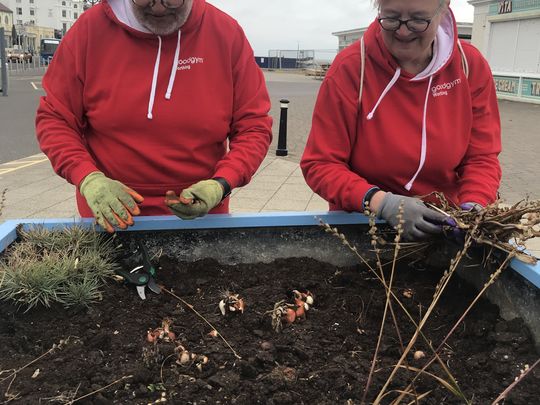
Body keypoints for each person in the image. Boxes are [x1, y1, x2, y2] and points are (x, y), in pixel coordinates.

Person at [36, 0, 272, 232]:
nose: (159, 6)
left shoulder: (225, 33)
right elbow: (55, 118)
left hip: (202, 214)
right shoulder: (89, 30)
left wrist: (222, 183)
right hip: (112, 214)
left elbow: (253, 126)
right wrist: (88, 178)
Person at [301, 0, 501, 241]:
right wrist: (381, 202)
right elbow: (321, 164)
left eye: (418, 20)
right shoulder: (351, 68)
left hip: (444, 225)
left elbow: (481, 157)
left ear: (443, 11)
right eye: (392, 18)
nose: (404, 31)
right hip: (363, 226)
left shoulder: (469, 66)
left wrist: (474, 206)